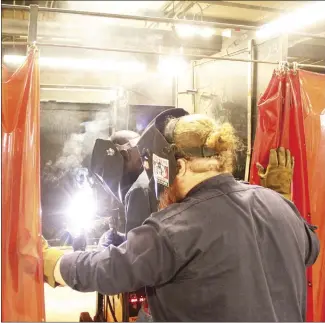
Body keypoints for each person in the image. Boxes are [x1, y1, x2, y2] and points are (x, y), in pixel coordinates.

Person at [42, 109, 319, 322]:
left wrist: (55, 263)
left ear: (180, 167)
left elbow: (111, 270)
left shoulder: (174, 227)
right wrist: (282, 200)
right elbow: (310, 250)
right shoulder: (278, 205)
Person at [91, 129, 156, 321]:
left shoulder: (139, 190)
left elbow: (136, 253)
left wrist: (108, 250)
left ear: (126, 154)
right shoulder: (155, 177)